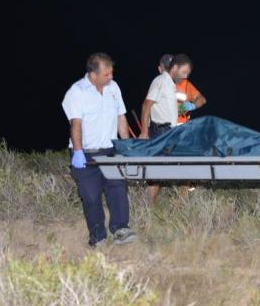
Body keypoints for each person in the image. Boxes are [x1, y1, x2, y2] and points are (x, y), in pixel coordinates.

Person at [61, 52, 136, 247]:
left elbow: (121, 117)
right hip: (86, 154)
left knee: (118, 188)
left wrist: (126, 146)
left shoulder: (113, 87)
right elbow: (75, 124)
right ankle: (97, 237)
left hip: (110, 150)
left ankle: (121, 229)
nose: (111, 77)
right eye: (106, 74)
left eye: (111, 73)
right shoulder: (77, 92)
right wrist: (78, 152)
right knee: (91, 196)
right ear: (93, 75)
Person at [139, 53, 193, 202]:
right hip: (161, 132)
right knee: (159, 172)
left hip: (171, 132)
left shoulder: (171, 84)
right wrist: (144, 132)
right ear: (174, 68)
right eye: (183, 72)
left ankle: (178, 205)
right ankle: (150, 207)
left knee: (183, 167)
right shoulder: (160, 80)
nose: (185, 76)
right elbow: (146, 105)